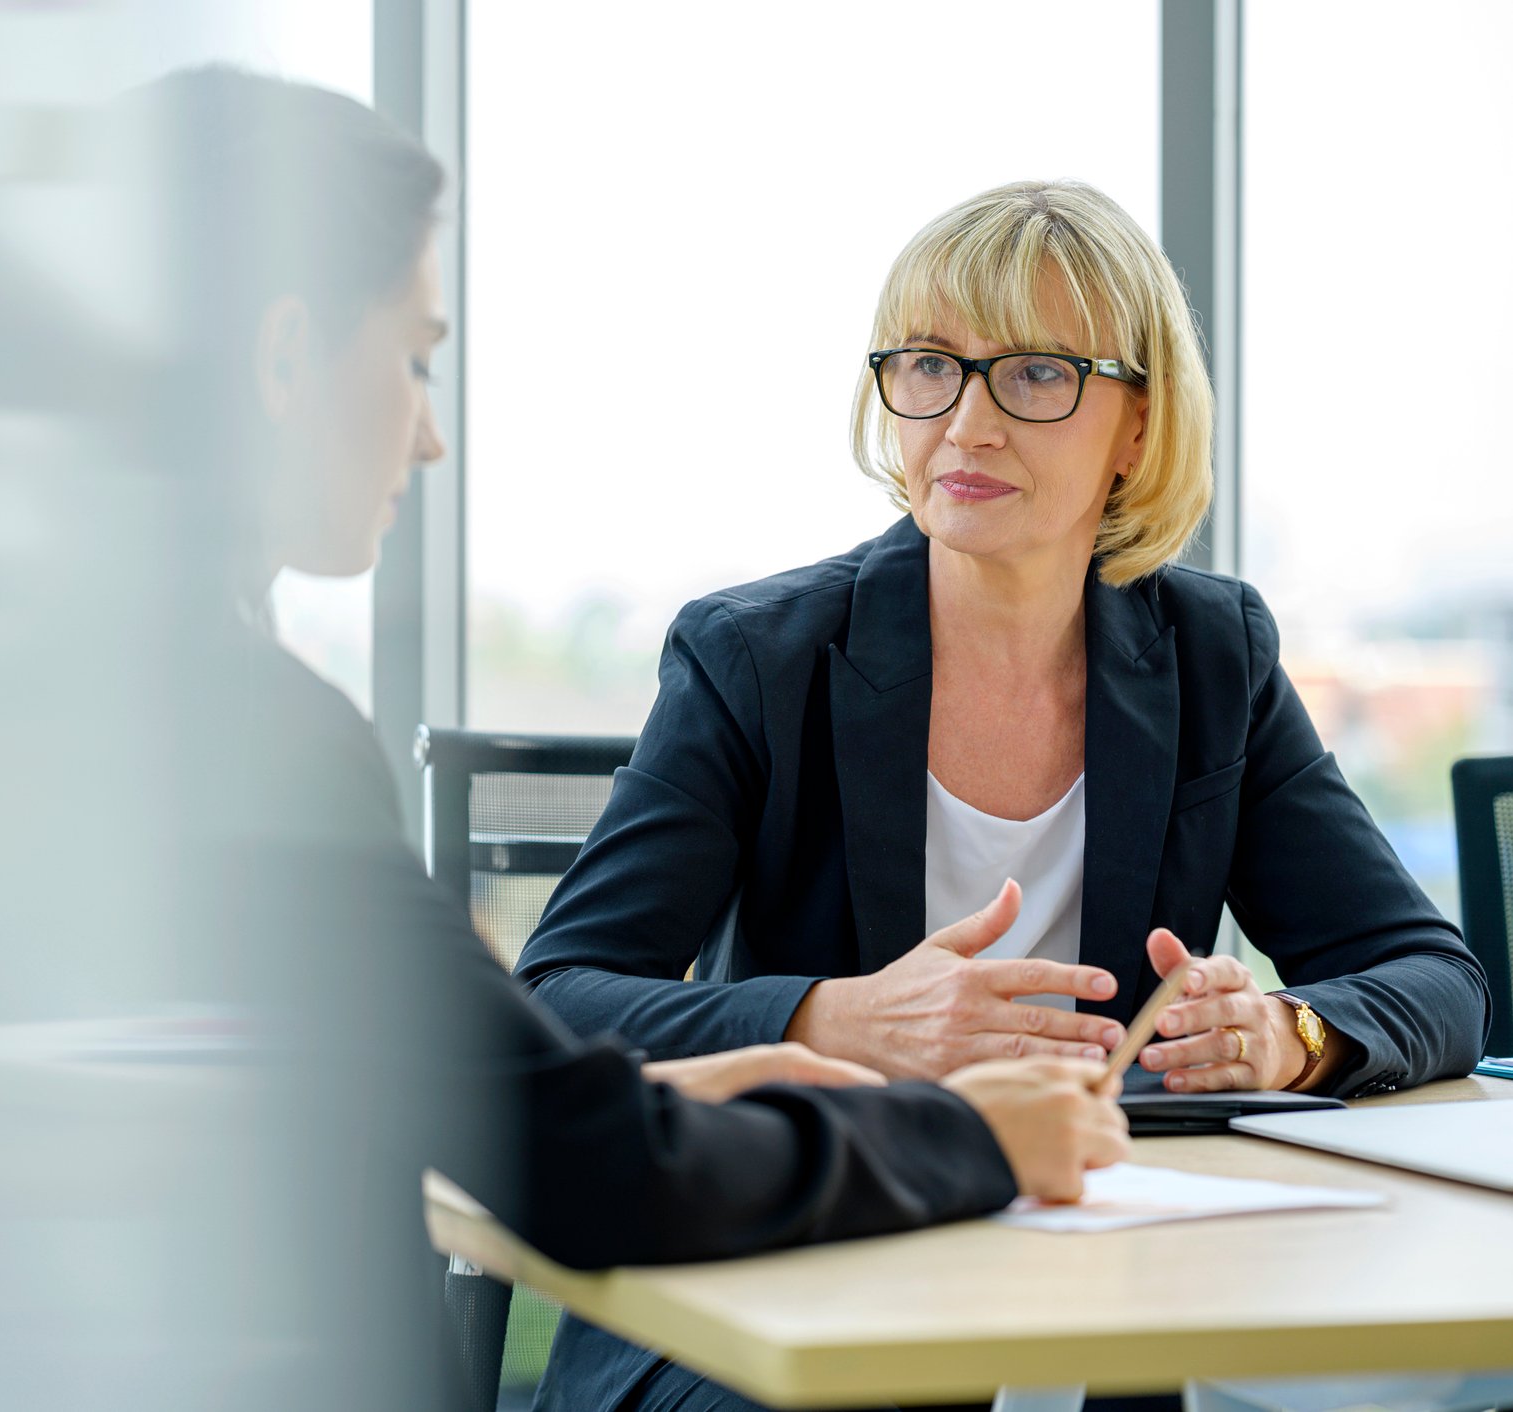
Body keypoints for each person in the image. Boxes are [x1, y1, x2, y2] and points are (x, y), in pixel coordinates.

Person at [118, 72, 1132, 1412]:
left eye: (1037, 377)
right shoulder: (252, 730)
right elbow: (571, 1156)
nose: (426, 434)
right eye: (414, 357)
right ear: (287, 355)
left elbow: (443, 1094)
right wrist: (960, 1134)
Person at [512, 179, 1492, 1408]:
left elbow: (1432, 976)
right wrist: (837, 1017)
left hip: (1092, 1293)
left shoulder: (1210, 653)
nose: (965, 422)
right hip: (782, 1299)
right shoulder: (754, 656)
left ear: (1138, 426)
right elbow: (560, 995)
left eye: (1035, 374)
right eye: (928, 365)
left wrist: (1292, 1034)